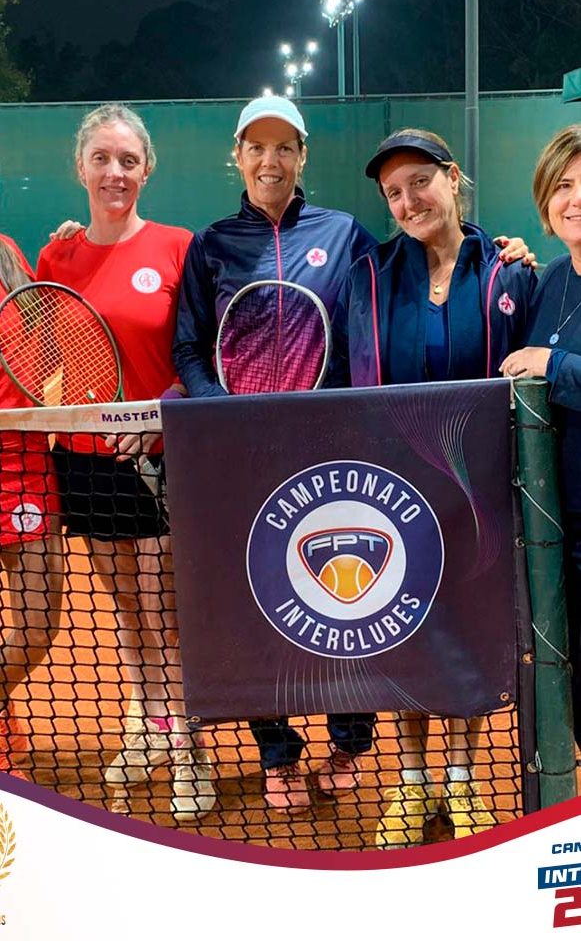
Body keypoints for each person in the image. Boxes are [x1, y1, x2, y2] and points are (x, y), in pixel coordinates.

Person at [326, 127, 537, 846]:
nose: (409, 200)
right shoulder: (368, 275)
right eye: (394, 192)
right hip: (394, 496)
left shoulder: (506, 270)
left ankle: (461, 777)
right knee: (404, 635)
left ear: (451, 178)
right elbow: (346, 379)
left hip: (481, 497)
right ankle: (412, 780)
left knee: (467, 637)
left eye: (420, 181)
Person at [173, 95, 380, 812]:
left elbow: (400, 291)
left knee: (343, 599)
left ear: (302, 156)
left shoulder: (344, 233)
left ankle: (349, 740)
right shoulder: (212, 245)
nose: (270, 160)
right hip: (244, 459)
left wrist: (490, 246)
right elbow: (189, 349)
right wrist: (224, 415)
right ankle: (278, 752)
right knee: (257, 606)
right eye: (256, 147)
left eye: (284, 147)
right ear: (237, 156)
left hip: (330, 453)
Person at [36, 103, 215, 819]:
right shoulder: (57, 258)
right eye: (102, 159)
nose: (115, 172)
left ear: (148, 170)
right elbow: (46, 360)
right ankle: (150, 728)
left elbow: (198, 354)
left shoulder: (178, 247)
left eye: (128, 160)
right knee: (126, 611)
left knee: (166, 610)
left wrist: (161, 412)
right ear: (80, 168)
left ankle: (190, 751)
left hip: (161, 454)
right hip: (87, 459)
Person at [500, 124, 581, 752]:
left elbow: (542, 365)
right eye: (562, 185)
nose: (573, 199)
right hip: (561, 530)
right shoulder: (552, 279)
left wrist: (551, 363)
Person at [0, 235, 63, 779]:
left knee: (39, 625)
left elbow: (48, 348)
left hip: (24, 460)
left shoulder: (8, 254)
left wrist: (70, 245)